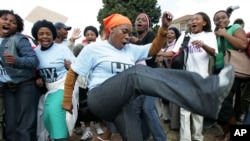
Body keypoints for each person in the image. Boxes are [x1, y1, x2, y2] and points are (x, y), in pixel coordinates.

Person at [62, 11, 235, 141]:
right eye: (124, 31)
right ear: (111, 30)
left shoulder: (130, 49)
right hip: (100, 98)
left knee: (135, 137)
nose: (128, 37)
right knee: (135, 73)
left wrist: (164, 28)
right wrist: (67, 99)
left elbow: (152, 50)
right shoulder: (94, 48)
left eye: (130, 33)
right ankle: (205, 91)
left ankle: (205, 99)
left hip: (124, 103)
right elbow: (73, 73)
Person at [174, 12, 218, 141]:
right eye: (191, 20)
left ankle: (198, 137)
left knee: (198, 111)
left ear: (204, 23)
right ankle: (185, 138)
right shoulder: (184, 36)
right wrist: (160, 53)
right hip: (185, 78)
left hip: (201, 79)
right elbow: (175, 52)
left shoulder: (209, 35)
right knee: (184, 111)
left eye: (196, 19)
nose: (193, 21)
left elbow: (214, 53)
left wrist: (203, 45)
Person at [31, 19, 76, 141]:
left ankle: (60, 138)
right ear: (36, 35)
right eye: (41, 34)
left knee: (53, 110)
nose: (45, 37)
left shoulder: (62, 49)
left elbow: (76, 65)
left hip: (64, 84)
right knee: (46, 117)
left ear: (53, 35)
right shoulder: (34, 52)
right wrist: (38, 79)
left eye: (48, 34)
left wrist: (70, 66)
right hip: (48, 89)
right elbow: (35, 71)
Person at [0, 9, 40, 141]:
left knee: (25, 127)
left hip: (25, 85)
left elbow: (34, 60)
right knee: (10, 127)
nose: (8, 23)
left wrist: (17, 61)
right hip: (6, 89)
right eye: (5, 19)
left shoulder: (19, 39)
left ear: (17, 27)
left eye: (13, 22)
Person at [213, 10, 248, 141]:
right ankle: (226, 133)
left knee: (225, 101)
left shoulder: (235, 28)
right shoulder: (214, 34)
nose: (220, 20)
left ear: (228, 19)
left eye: (223, 17)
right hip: (218, 70)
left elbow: (243, 44)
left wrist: (224, 34)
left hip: (233, 69)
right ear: (214, 22)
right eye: (217, 19)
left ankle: (237, 136)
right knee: (218, 103)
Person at [130, 12, 166, 141]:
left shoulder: (151, 36)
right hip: (139, 77)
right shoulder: (131, 39)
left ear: (147, 25)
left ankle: (161, 138)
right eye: (137, 20)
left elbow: (151, 52)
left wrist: (137, 42)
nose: (139, 22)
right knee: (140, 108)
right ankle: (144, 135)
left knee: (147, 108)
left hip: (152, 76)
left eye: (142, 20)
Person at [72, 25, 104, 140]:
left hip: (96, 82)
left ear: (96, 36)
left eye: (92, 34)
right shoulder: (80, 47)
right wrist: (72, 40)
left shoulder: (101, 47)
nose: (90, 36)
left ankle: (97, 125)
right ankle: (87, 130)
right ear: (85, 36)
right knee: (84, 106)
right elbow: (69, 53)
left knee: (97, 105)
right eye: (87, 34)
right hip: (83, 83)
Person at [155, 26, 181, 130]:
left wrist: (162, 54)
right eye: (168, 33)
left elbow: (174, 55)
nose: (169, 35)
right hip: (163, 75)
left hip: (174, 75)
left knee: (172, 98)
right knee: (164, 97)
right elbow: (157, 57)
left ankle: (174, 120)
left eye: (172, 33)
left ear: (176, 35)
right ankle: (166, 117)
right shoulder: (164, 46)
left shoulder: (178, 45)